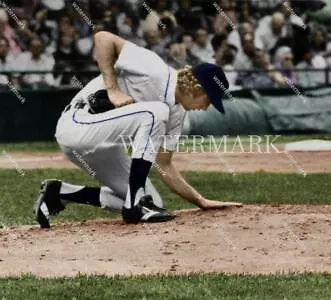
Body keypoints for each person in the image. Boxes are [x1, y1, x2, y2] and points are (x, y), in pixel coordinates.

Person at [33, 31, 242, 229]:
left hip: (105, 145)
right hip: (77, 126)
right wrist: (113, 89)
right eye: (209, 99)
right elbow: (103, 38)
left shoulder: (178, 112)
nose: (206, 107)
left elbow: (164, 165)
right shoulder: (154, 69)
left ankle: (60, 193)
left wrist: (200, 200)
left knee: (153, 199)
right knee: (156, 112)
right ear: (195, 86)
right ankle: (134, 204)